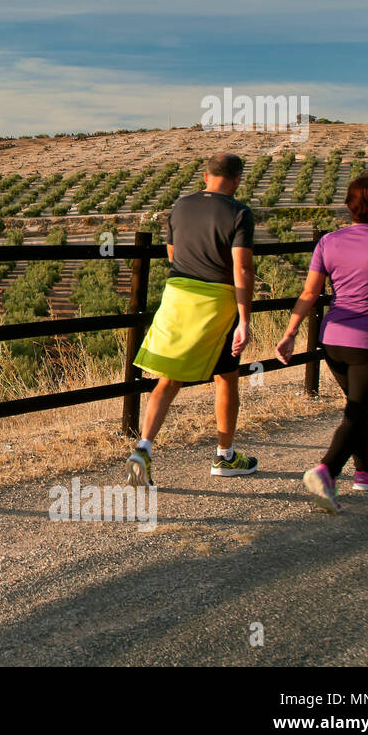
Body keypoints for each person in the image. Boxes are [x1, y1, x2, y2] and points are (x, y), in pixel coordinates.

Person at [276, 172, 368, 513]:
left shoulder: (328, 241)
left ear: (349, 205)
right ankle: (326, 470)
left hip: (333, 340)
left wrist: (290, 331)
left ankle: (365, 472)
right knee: (358, 410)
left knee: (358, 408)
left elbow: (310, 293)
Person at [127, 152, 258, 487]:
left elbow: (172, 254)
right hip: (216, 303)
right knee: (226, 377)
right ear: (238, 180)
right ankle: (225, 457)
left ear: (205, 176)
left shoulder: (180, 206)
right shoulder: (239, 213)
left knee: (168, 378)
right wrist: (245, 319)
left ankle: (142, 449)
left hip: (176, 296)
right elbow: (242, 268)